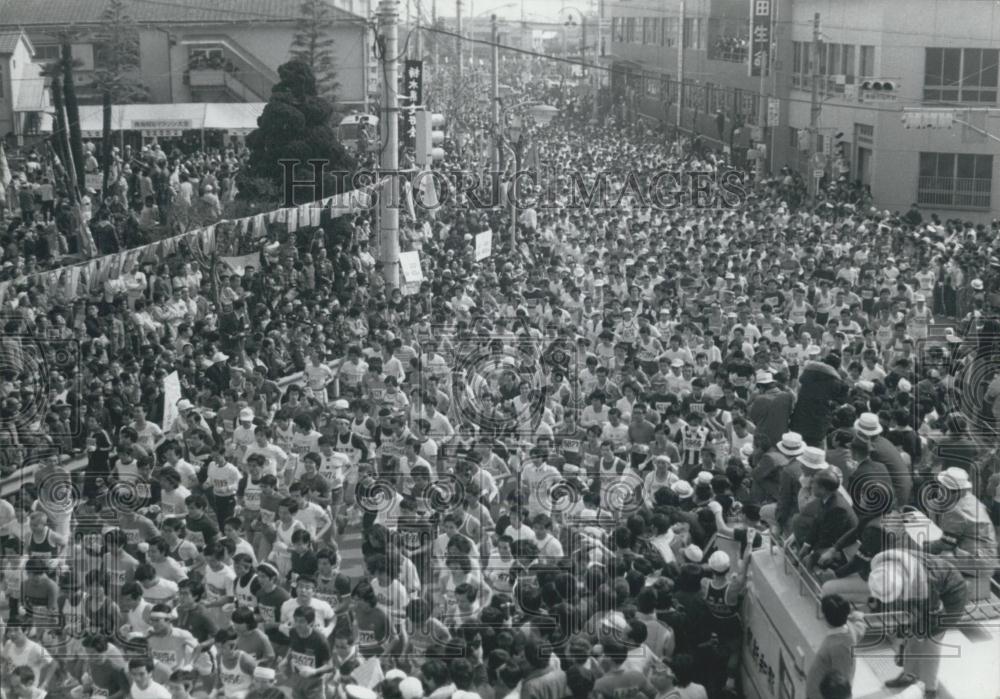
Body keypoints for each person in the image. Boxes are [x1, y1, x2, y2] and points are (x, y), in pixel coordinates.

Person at [805, 595, 865, 699]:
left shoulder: (838, 647)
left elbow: (841, 684)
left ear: (825, 617)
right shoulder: (850, 628)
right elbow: (860, 630)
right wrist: (859, 618)